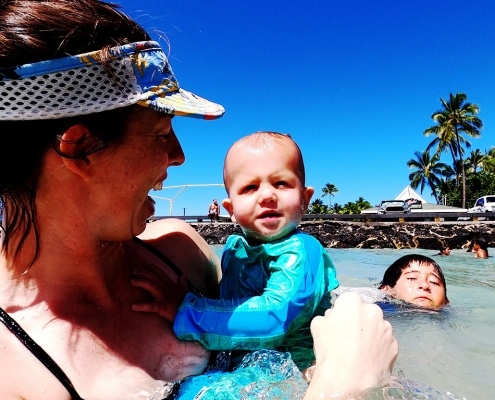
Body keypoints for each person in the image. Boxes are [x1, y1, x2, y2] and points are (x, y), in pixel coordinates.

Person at [0, 1, 397, 399]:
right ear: (82, 148)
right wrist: (345, 387)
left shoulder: (181, 249)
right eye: (160, 133)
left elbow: (265, 310)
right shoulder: (16, 371)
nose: (179, 155)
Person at [133, 131, 339, 380]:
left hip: (296, 370)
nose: (267, 196)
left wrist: (185, 309)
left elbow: (275, 317)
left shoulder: (303, 251)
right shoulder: (234, 249)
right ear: (230, 210)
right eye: (250, 187)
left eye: (281, 183)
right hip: (244, 366)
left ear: (305, 199)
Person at [333, 254, 449, 310]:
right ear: (387, 289)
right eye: (412, 278)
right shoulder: (375, 303)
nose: (425, 285)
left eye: (434, 282)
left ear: (446, 300)